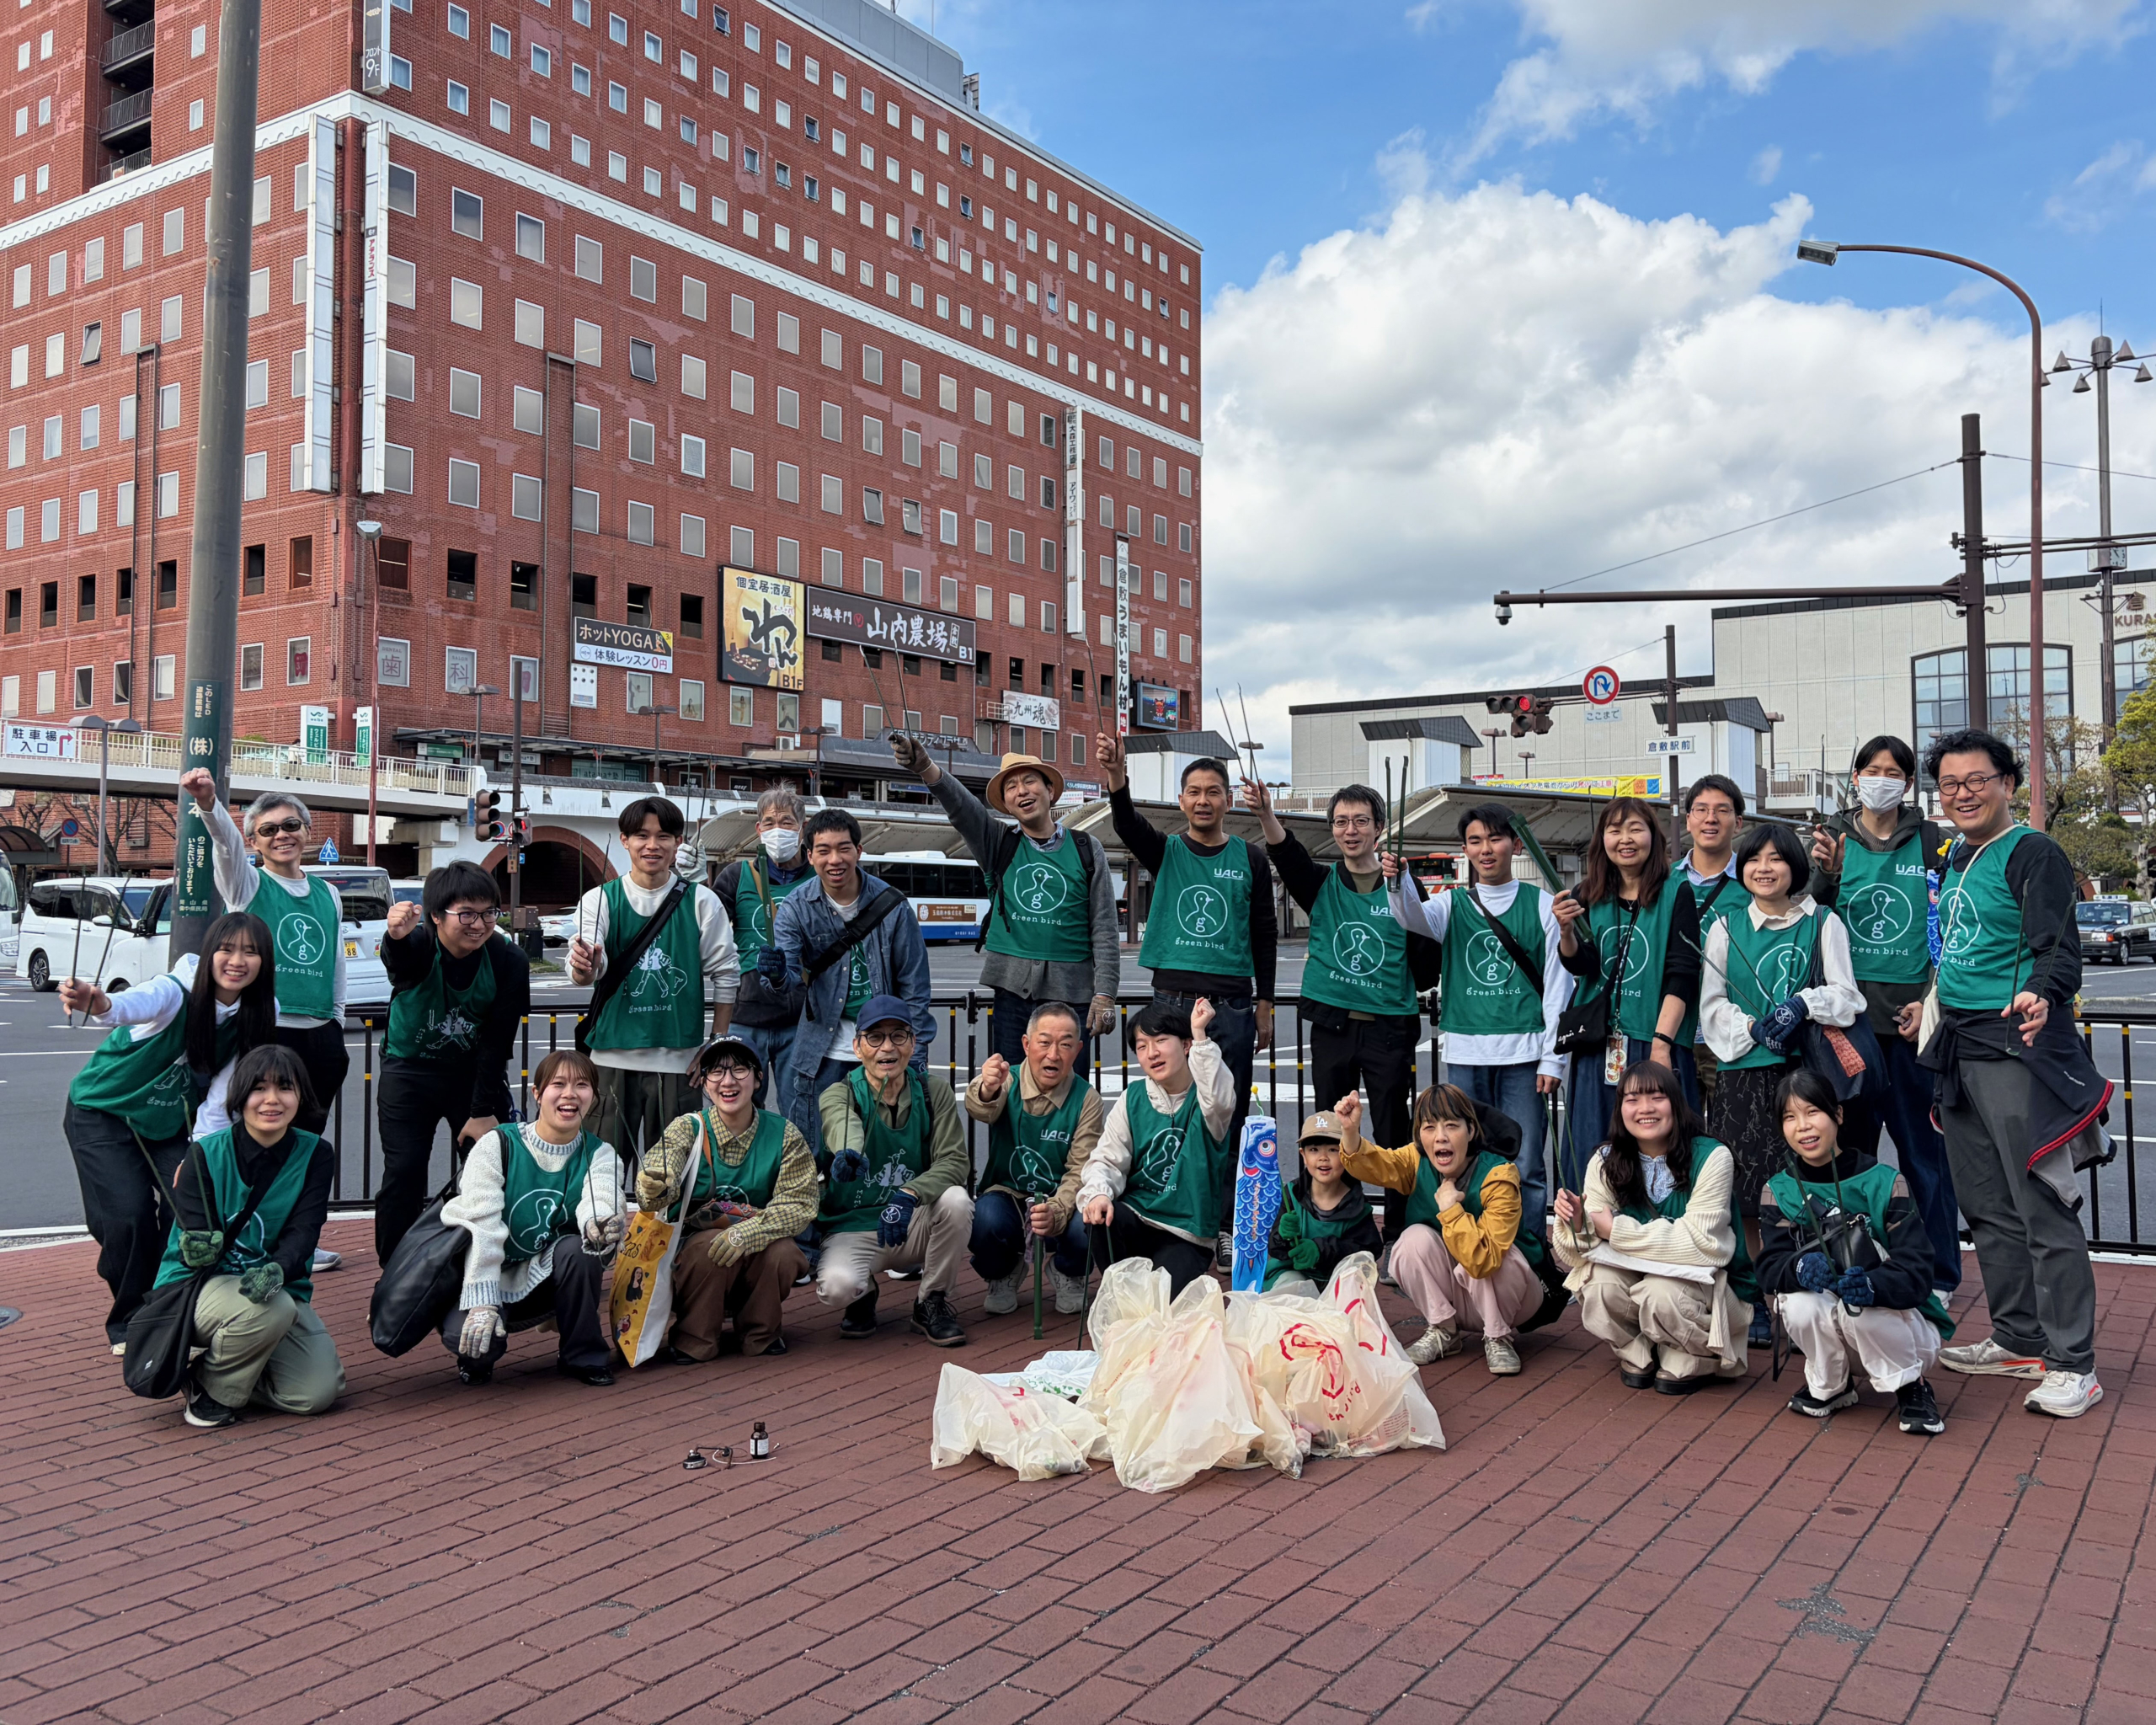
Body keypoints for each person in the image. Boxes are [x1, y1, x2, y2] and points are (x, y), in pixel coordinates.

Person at [1919, 729, 2108, 1419]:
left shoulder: (2035, 852)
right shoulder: (1959, 855)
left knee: (2040, 1207)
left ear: (2008, 782)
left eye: (1976, 780)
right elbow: (1961, 950)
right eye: (1949, 784)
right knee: (1988, 1208)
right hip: (1960, 1047)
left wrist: (2041, 994)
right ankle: (2019, 1337)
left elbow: (2059, 949)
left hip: (2015, 1048)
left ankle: (2073, 1363)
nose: (1963, 794)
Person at [61, 912, 277, 1352]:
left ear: (264, 963)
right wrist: (99, 1003)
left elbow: (222, 1098)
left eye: (250, 952)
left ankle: (161, 1301)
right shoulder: (177, 991)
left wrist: (196, 1157)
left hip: (171, 1124)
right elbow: (130, 1005)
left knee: (189, 1208)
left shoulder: (260, 1011)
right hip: (103, 1111)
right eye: (227, 949)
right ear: (210, 951)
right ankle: (129, 1319)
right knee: (128, 1216)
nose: (237, 961)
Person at [1098, 733, 1276, 1232]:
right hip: (1172, 1001)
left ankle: (1226, 1224)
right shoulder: (1168, 850)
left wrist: (1265, 1003)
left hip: (1235, 1005)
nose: (1203, 800)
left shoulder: (1251, 858)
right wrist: (1117, 777)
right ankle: (1173, 1212)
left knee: (1229, 1116)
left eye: (1213, 790)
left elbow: (1264, 933)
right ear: (1181, 800)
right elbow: (1127, 824)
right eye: (1193, 791)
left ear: (1227, 798)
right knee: (1174, 1111)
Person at [1699, 821, 1865, 1347]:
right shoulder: (1725, 926)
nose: (1763, 868)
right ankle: (1762, 1297)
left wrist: (1803, 1004)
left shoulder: (1823, 923)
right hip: (1741, 1077)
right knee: (1746, 1195)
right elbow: (1711, 1005)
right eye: (1753, 859)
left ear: (1796, 867)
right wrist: (1751, 1026)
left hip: (1804, 1077)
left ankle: (1810, 1292)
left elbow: (1847, 996)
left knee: (1802, 1187)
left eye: (1775, 859)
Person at [1244, 777, 1437, 1228]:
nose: (1351, 830)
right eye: (1341, 822)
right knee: (1328, 1127)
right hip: (1332, 1024)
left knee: (1393, 1130)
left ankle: (1400, 1229)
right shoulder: (1321, 883)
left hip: (1390, 1025)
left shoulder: (1402, 886)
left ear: (1379, 827)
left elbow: (1428, 959)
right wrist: (1265, 813)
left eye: (1361, 821)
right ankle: (1335, 1220)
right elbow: (1287, 855)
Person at [1807, 734, 1960, 1292]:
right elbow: (1810, 917)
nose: (1881, 778)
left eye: (1893, 770)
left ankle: (1940, 1272)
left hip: (1911, 1027)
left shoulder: (1931, 842)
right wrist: (1827, 873)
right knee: (1851, 1157)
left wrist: (1931, 1001)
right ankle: (1856, 1262)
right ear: (1854, 778)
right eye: (1871, 769)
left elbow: (1951, 927)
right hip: (1850, 1031)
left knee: (1925, 1158)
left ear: (1908, 781)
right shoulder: (1832, 838)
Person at [1382, 804, 1570, 1230]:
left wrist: (1553, 1058)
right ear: (1464, 849)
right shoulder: (1452, 904)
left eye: (1496, 838)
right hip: (1465, 1051)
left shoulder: (1542, 905)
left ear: (1515, 844)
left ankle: (1528, 1252)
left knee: (1525, 1160)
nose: (1486, 849)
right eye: (1475, 841)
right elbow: (1411, 917)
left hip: (1524, 1053)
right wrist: (1398, 881)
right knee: (1461, 1159)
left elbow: (1559, 987)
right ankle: (1468, 1244)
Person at [895, 738, 1120, 1079]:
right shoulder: (999, 842)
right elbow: (961, 807)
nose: (1022, 791)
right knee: (1010, 1089)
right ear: (1007, 805)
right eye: (1011, 787)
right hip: (1012, 996)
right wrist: (926, 767)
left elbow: (1104, 926)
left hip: (1073, 996)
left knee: (1069, 1094)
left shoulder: (1088, 849)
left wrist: (1104, 994)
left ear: (1050, 791)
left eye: (1030, 781)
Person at [153, 1045, 343, 1429]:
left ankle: (211, 1373)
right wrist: (198, 1246)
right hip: (200, 1289)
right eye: (259, 1089)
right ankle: (213, 1391)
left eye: (285, 1088)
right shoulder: (205, 1154)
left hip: (277, 1286)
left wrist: (278, 1269)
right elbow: (193, 1231)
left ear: (300, 1095)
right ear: (240, 1096)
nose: (272, 1100)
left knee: (315, 1394)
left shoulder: (317, 1155)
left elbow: (304, 1231)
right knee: (272, 1310)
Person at [1755, 1069, 1950, 1435]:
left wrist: (1874, 1286)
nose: (1803, 1127)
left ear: (1838, 1115)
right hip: (1835, 1324)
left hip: (1902, 1329)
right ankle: (1832, 1385)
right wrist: (1797, 1269)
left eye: (1813, 1112)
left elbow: (1919, 1268)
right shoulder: (1777, 1189)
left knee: (1860, 1310)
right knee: (1796, 1303)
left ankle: (1913, 1387)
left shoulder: (1885, 1180)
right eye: (1790, 1117)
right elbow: (1768, 1268)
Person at [1552, 1060, 1755, 1393]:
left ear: (1676, 1104)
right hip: (1644, 1282)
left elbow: (1701, 1245)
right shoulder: (1605, 1160)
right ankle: (1640, 1348)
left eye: (1656, 1097)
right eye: (1632, 1099)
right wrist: (1578, 1225)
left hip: (1711, 1290)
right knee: (1598, 1285)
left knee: (1660, 1294)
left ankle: (1697, 1356)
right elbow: (1581, 1253)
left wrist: (1615, 1230)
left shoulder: (1713, 1157)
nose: (1644, 1109)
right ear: (1620, 1109)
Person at [565, 795, 739, 1166]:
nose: (652, 845)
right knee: (601, 1174)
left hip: (679, 1062)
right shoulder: (600, 900)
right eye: (641, 835)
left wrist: (718, 1041)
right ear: (624, 840)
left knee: (676, 1179)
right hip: (610, 1058)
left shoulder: (702, 901)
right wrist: (583, 967)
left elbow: (726, 972)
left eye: (664, 836)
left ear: (678, 843)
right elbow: (586, 967)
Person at [436, 1049, 627, 1386]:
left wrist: (600, 1224)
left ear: (593, 1098)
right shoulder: (498, 1144)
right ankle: (476, 1353)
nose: (570, 1094)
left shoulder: (601, 1153)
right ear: (537, 1094)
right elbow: (482, 1225)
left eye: (582, 1085)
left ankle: (582, 1355)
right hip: (482, 1271)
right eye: (558, 1084)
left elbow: (602, 1197)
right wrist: (483, 1302)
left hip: (543, 1273)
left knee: (581, 1250)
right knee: (474, 1343)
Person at [179, 771, 351, 1135]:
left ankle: (296, 1194)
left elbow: (335, 964)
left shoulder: (328, 893)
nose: (281, 836)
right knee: (255, 1134)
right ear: (253, 842)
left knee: (306, 1137)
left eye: (290, 825)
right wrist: (209, 805)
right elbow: (226, 847)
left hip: (321, 1034)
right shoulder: (247, 886)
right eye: (268, 830)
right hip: (264, 1029)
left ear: (307, 830)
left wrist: (336, 1022)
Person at [376, 861, 531, 1264]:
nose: (478, 925)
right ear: (436, 916)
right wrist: (394, 936)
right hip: (408, 1072)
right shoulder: (420, 943)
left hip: (472, 1075)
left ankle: (491, 1266)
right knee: (403, 1174)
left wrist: (481, 1111)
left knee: (491, 1174)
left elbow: (497, 1043)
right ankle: (395, 1275)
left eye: (488, 913)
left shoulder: (508, 961)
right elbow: (399, 963)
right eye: (466, 914)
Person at [1335, 1087, 1547, 1375]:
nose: (1440, 1137)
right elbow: (1378, 1166)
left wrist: (1450, 1210)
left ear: (1471, 1131)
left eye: (1451, 1126)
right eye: (1429, 1127)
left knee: (1493, 1254)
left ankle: (1498, 1337)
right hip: (1458, 1296)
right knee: (1410, 1241)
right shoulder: (1417, 1159)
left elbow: (1483, 1261)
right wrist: (1350, 1132)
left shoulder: (1499, 1174)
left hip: (1513, 1298)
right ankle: (1444, 1330)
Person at [1554, 797, 1703, 1194]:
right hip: (1599, 1043)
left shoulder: (1677, 892)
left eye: (1635, 828)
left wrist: (1661, 1046)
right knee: (1593, 1146)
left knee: (1662, 1148)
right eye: (1614, 830)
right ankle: (1589, 1240)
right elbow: (1581, 965)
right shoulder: (1588, 893)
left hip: (1655, 1041)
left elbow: (1682, 974)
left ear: (1653, 836)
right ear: (1601, 838)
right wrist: (1567, 933)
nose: (1625, 839)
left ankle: (1665, 1238)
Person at [636, 1035, 817, 1358]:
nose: (728, 1081)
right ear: (704, 1084)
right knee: (709, 1247)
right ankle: (695, 1338)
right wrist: (654, 1186)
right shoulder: (687, 1128)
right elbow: (661, 1173)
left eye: (739, 1070)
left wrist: (745, 1234)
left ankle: (761, 1333)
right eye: (716, 1072)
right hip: (692, 1262)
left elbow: (800, 1205)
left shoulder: (784, 1134)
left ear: (759, 1078)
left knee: (784, 1252)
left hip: (756, 1251)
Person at [767, 808, 935, 1154]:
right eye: (823, 850)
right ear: (809, 855)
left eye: (844, 848)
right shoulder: (796, 907)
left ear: (859, 851)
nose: (835, 859)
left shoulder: (892, 905)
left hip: (885, 1046)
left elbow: (914, 986)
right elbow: (788, 980)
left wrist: (915, 1052)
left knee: (887, 1148)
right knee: (816, 1152)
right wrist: (777, 975)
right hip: (822, 1049)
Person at [814, 995, 973, 1344]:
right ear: (857, 1047)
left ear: (913, 1043)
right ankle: (862, 1294)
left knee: (957, 1201)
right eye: (875, 1037)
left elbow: (955, 1161)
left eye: (898, 1036)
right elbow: (841, 1123)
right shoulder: (838, 1093)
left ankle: (931, 1301)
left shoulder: (934, 1092)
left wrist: (911, 1193)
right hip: (854, 1225)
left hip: (910, 1219)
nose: (887, 1047)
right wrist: (849, 1153)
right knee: (836, 1288)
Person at [1077, 996, 1236, 1297]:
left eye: (1161, 1040)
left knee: (1160, 1303)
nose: (1152, 1053)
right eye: (1141, 1046)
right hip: (1137, 1216)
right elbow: (1108, 1159)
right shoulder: (1133, 1097)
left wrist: (1201, 1035)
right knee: (1101, 1216)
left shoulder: (1207, 1101)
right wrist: (1098, 1192)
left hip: (1186, 1232)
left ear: (1186, 1045)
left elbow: (1218, 1099)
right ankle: (1118, 1296)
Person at [964, 1001, 1106, 1316]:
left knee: (1089, 1224)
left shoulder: (1087, 1099)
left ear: (1079, 1049)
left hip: (1060, 1199)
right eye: (1044, 1043)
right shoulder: (1008, 1079)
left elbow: (1081, 1169)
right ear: (1027, 1045)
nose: (1053, 1054)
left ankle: (1068, 1272)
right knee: (983, 1220)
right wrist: (987, 1087)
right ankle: (1004, 1271)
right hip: (1008, 1195)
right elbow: (979, 1108)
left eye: (1065, 1044)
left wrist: (1057, 1209)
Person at [712, 788, 814, 1108]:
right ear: (758, 829)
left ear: (802, 827)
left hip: (801, 1017)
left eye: (787, 821)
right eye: (769, 822)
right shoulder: (735, 875)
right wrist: (693, 888)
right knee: (740, 1111)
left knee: (800, 1110)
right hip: (746, 1015)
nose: (778, 829)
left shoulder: (818, 878)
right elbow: (706, 929)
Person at [1679, 775, 1748, 1120]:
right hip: (1676, 1030)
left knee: (1732, 1132)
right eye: (1701, 809)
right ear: (1688, 818)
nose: (1711, 818)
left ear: (1738, 822)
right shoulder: (1664, 883)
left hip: (1728, 1032)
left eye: (1722, 810)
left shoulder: (1754, 884)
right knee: (1676, 1136)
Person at [1262, 1108, 1383, 1299]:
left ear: (1345, 1154)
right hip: (1295, 1274)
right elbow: (1275, 1249)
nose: (1323, 1157)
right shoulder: (1291, 1195)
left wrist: (1320, 1249)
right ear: (1303, 1155)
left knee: (1353, 1288)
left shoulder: (1356, 1204)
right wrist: (1282, 1236)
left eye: (1333, 1150)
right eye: (1314, 1149)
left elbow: (1369, 1250)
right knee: (1290, 1289)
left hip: (1336, 1280)